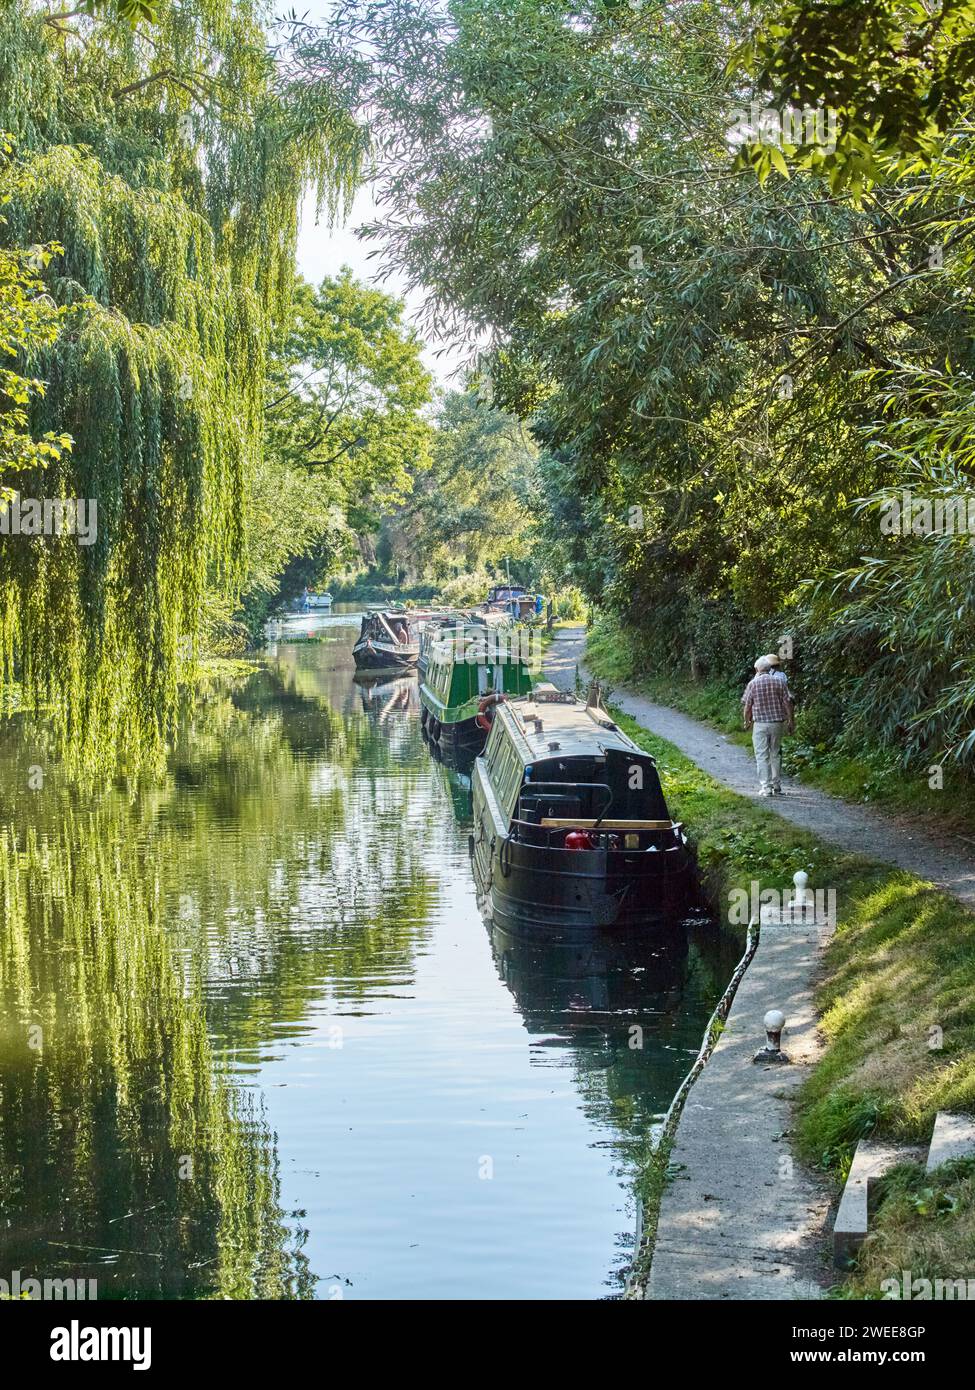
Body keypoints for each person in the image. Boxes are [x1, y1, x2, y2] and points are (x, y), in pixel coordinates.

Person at [742, 655, 794, 796]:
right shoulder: (779, 682)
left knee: (761, 755)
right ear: (770, 668)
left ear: (758, 669)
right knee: (775, 754)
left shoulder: (753, 683)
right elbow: (787, 703)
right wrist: (791, 721)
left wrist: (747, 721)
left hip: (760, 724)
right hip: (777, 723)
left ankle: (766, 787)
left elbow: (747, 705)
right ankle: (777, 786)